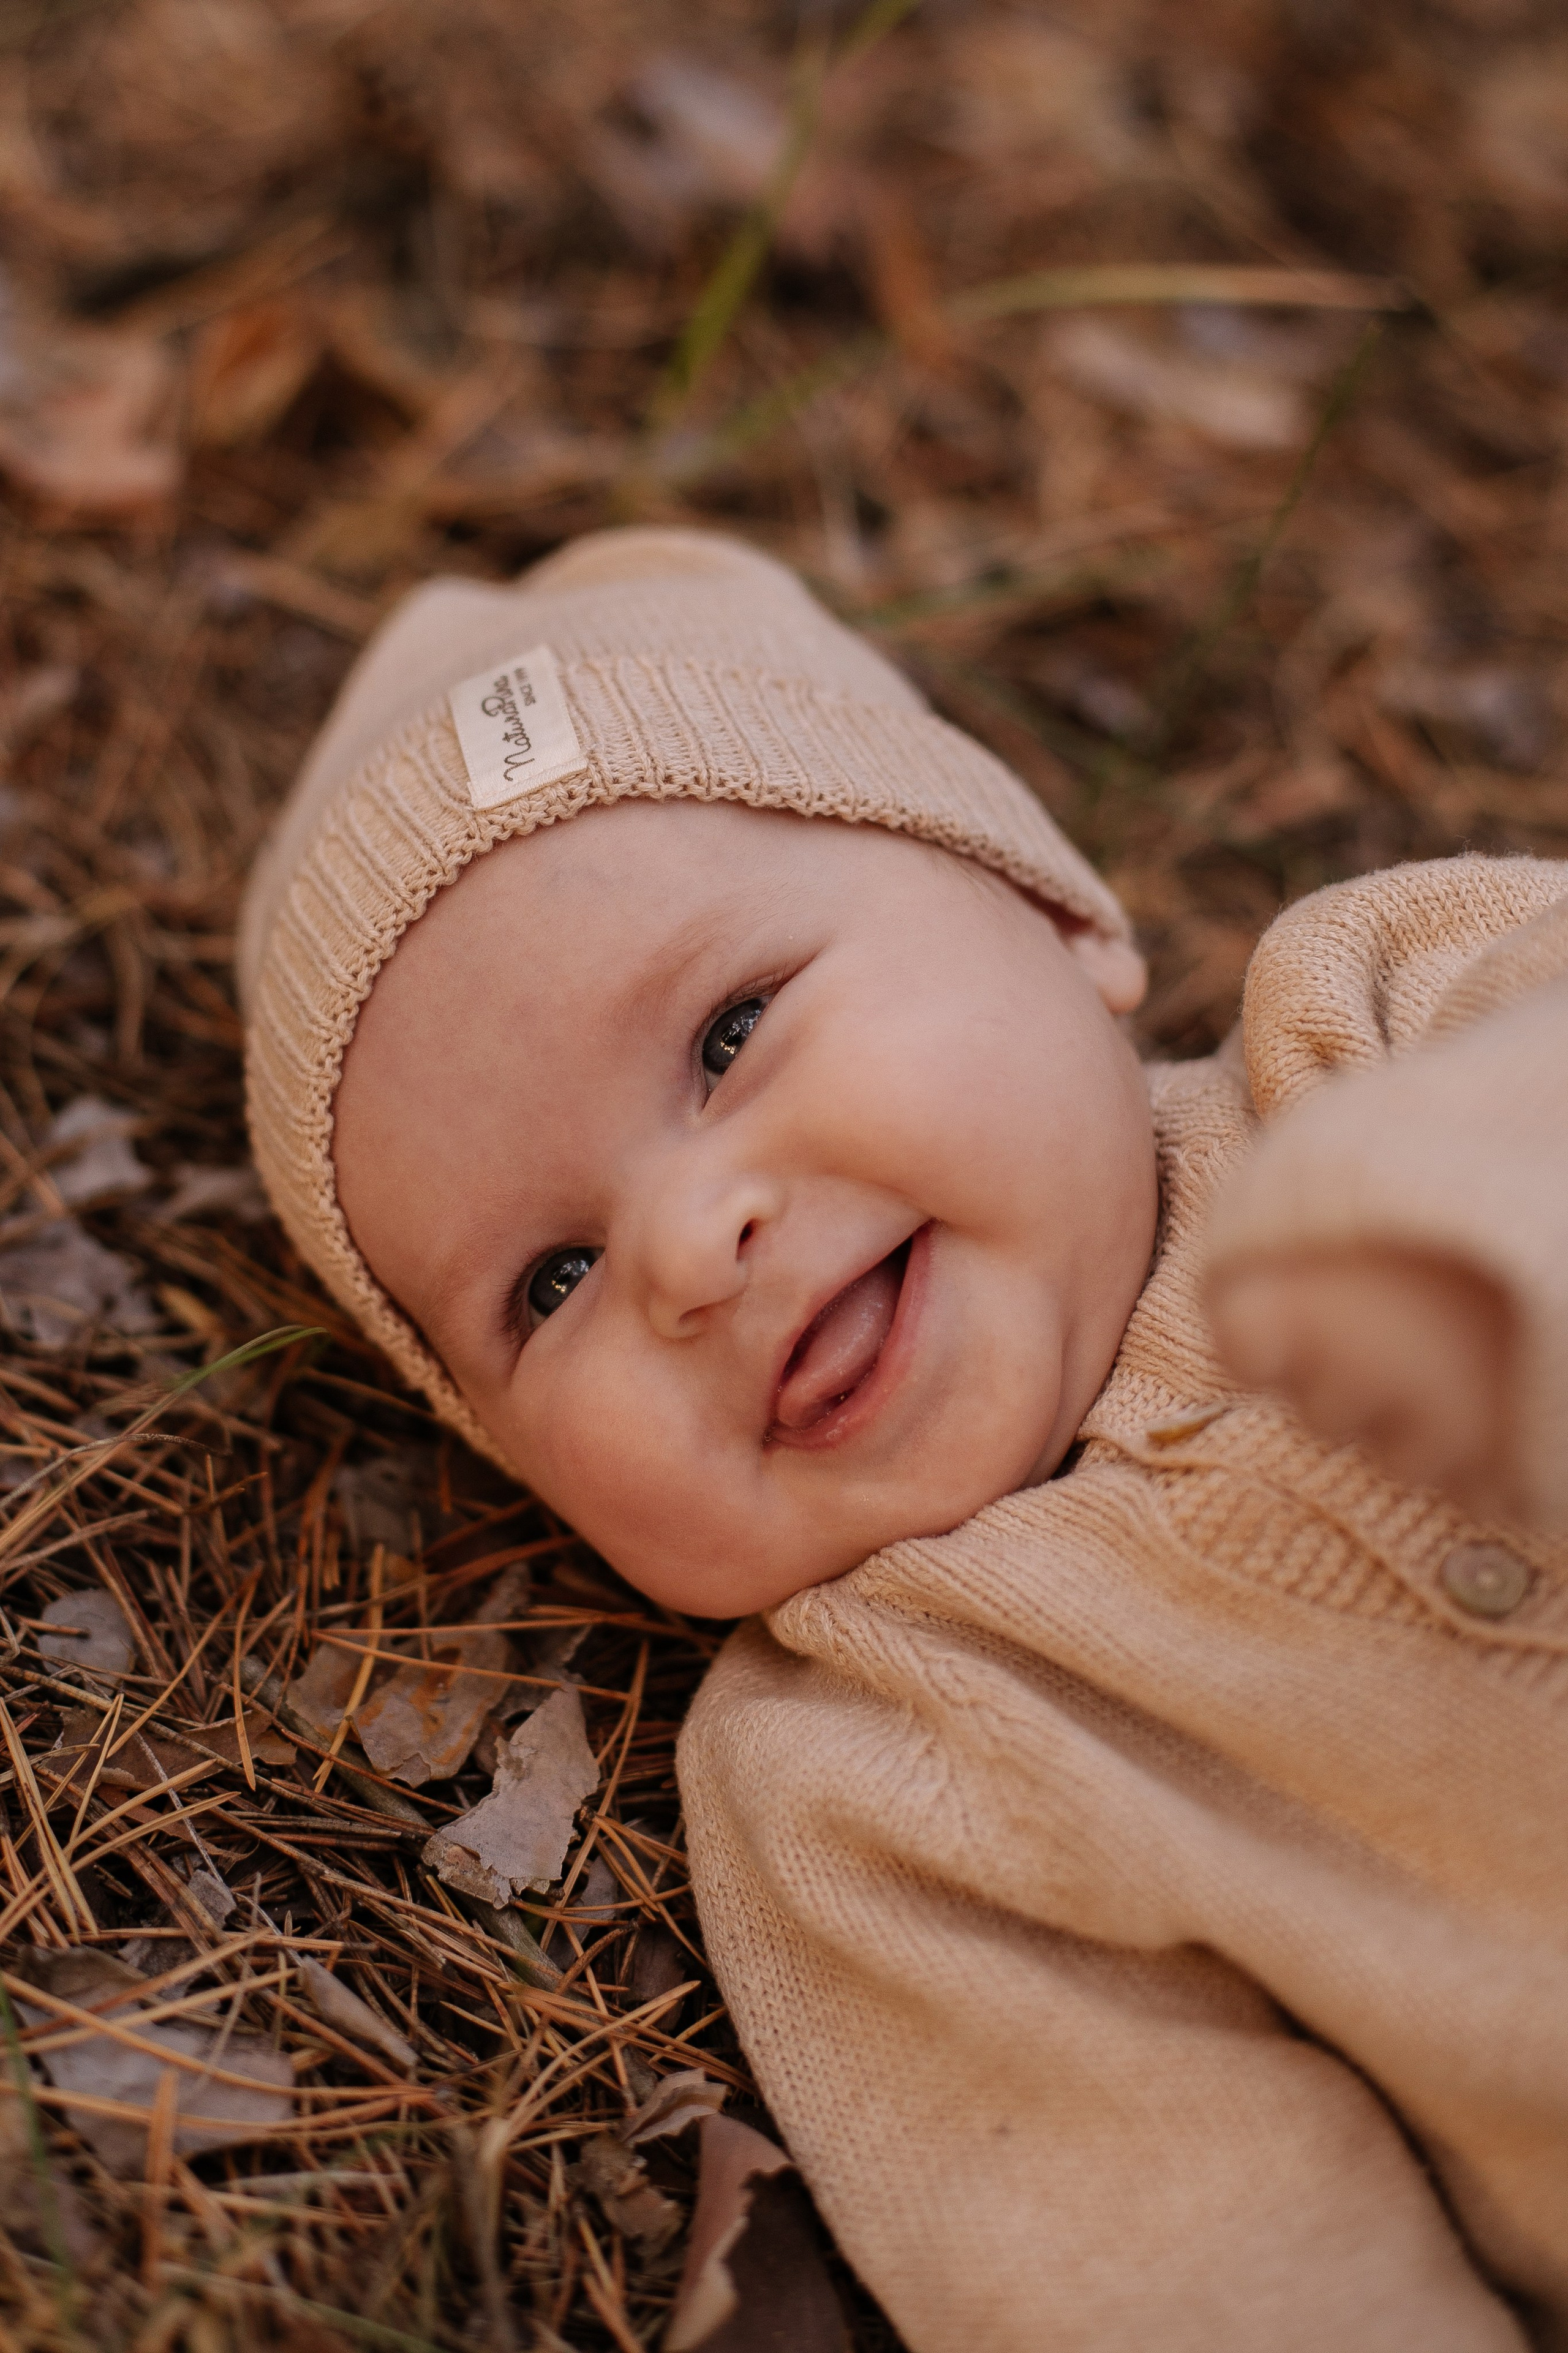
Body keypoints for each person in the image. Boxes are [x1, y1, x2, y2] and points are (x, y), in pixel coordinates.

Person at [239, 527, 1568, 2351]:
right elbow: (1157, 2255)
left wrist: (1452, 1213)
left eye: (729, 1032)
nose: (691, 1246)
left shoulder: (1385, 1012)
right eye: (550, 1282)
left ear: (1056, 911)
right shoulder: (865, 1791)